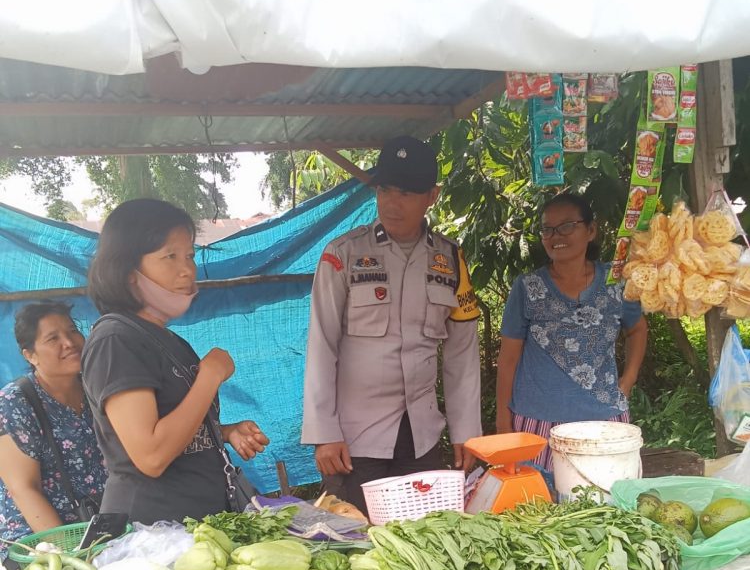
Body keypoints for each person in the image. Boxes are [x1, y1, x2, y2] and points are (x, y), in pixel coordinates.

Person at [301, 135, 482, 514]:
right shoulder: (343, 255)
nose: (391, 203)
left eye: (405, 193)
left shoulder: (450, 259)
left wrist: (467, 433)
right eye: (385, 189)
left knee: (423, 545)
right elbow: (321, 346)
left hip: (421, 439)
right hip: (354, 440)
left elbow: (461, 354)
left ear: (431, 195)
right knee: (357, 546)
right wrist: (323, 433)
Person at [82, 198, 269, 524]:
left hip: (195, 529)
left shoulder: (167, 340)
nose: (187, 269)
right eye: (169, 256)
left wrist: (221, 432)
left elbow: (176, 427)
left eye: (190, 255)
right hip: (153, 534)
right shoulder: (115, 339)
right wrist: (209, 377)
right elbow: (151, 454)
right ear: (127, 271)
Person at [496, 193, 648, 472]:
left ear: (591, 230)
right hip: (535, 421)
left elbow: (637, 329)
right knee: (538, 509)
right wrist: (502, 421)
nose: (556, 236)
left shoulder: (616, 282)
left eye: (567, 226)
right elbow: (508, 359)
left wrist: (628, 380)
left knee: (604, 503)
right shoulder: (527, 288)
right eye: (547, 229)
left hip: (603, 420)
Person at [0, 301, 107, 550]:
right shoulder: (15, 403)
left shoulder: (96, 388)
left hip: (100, 530)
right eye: (52, 338)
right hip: (41, 544)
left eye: (72, 331)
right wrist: (70, 554)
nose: (69, 343)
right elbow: (24, 489)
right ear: (30, 355)